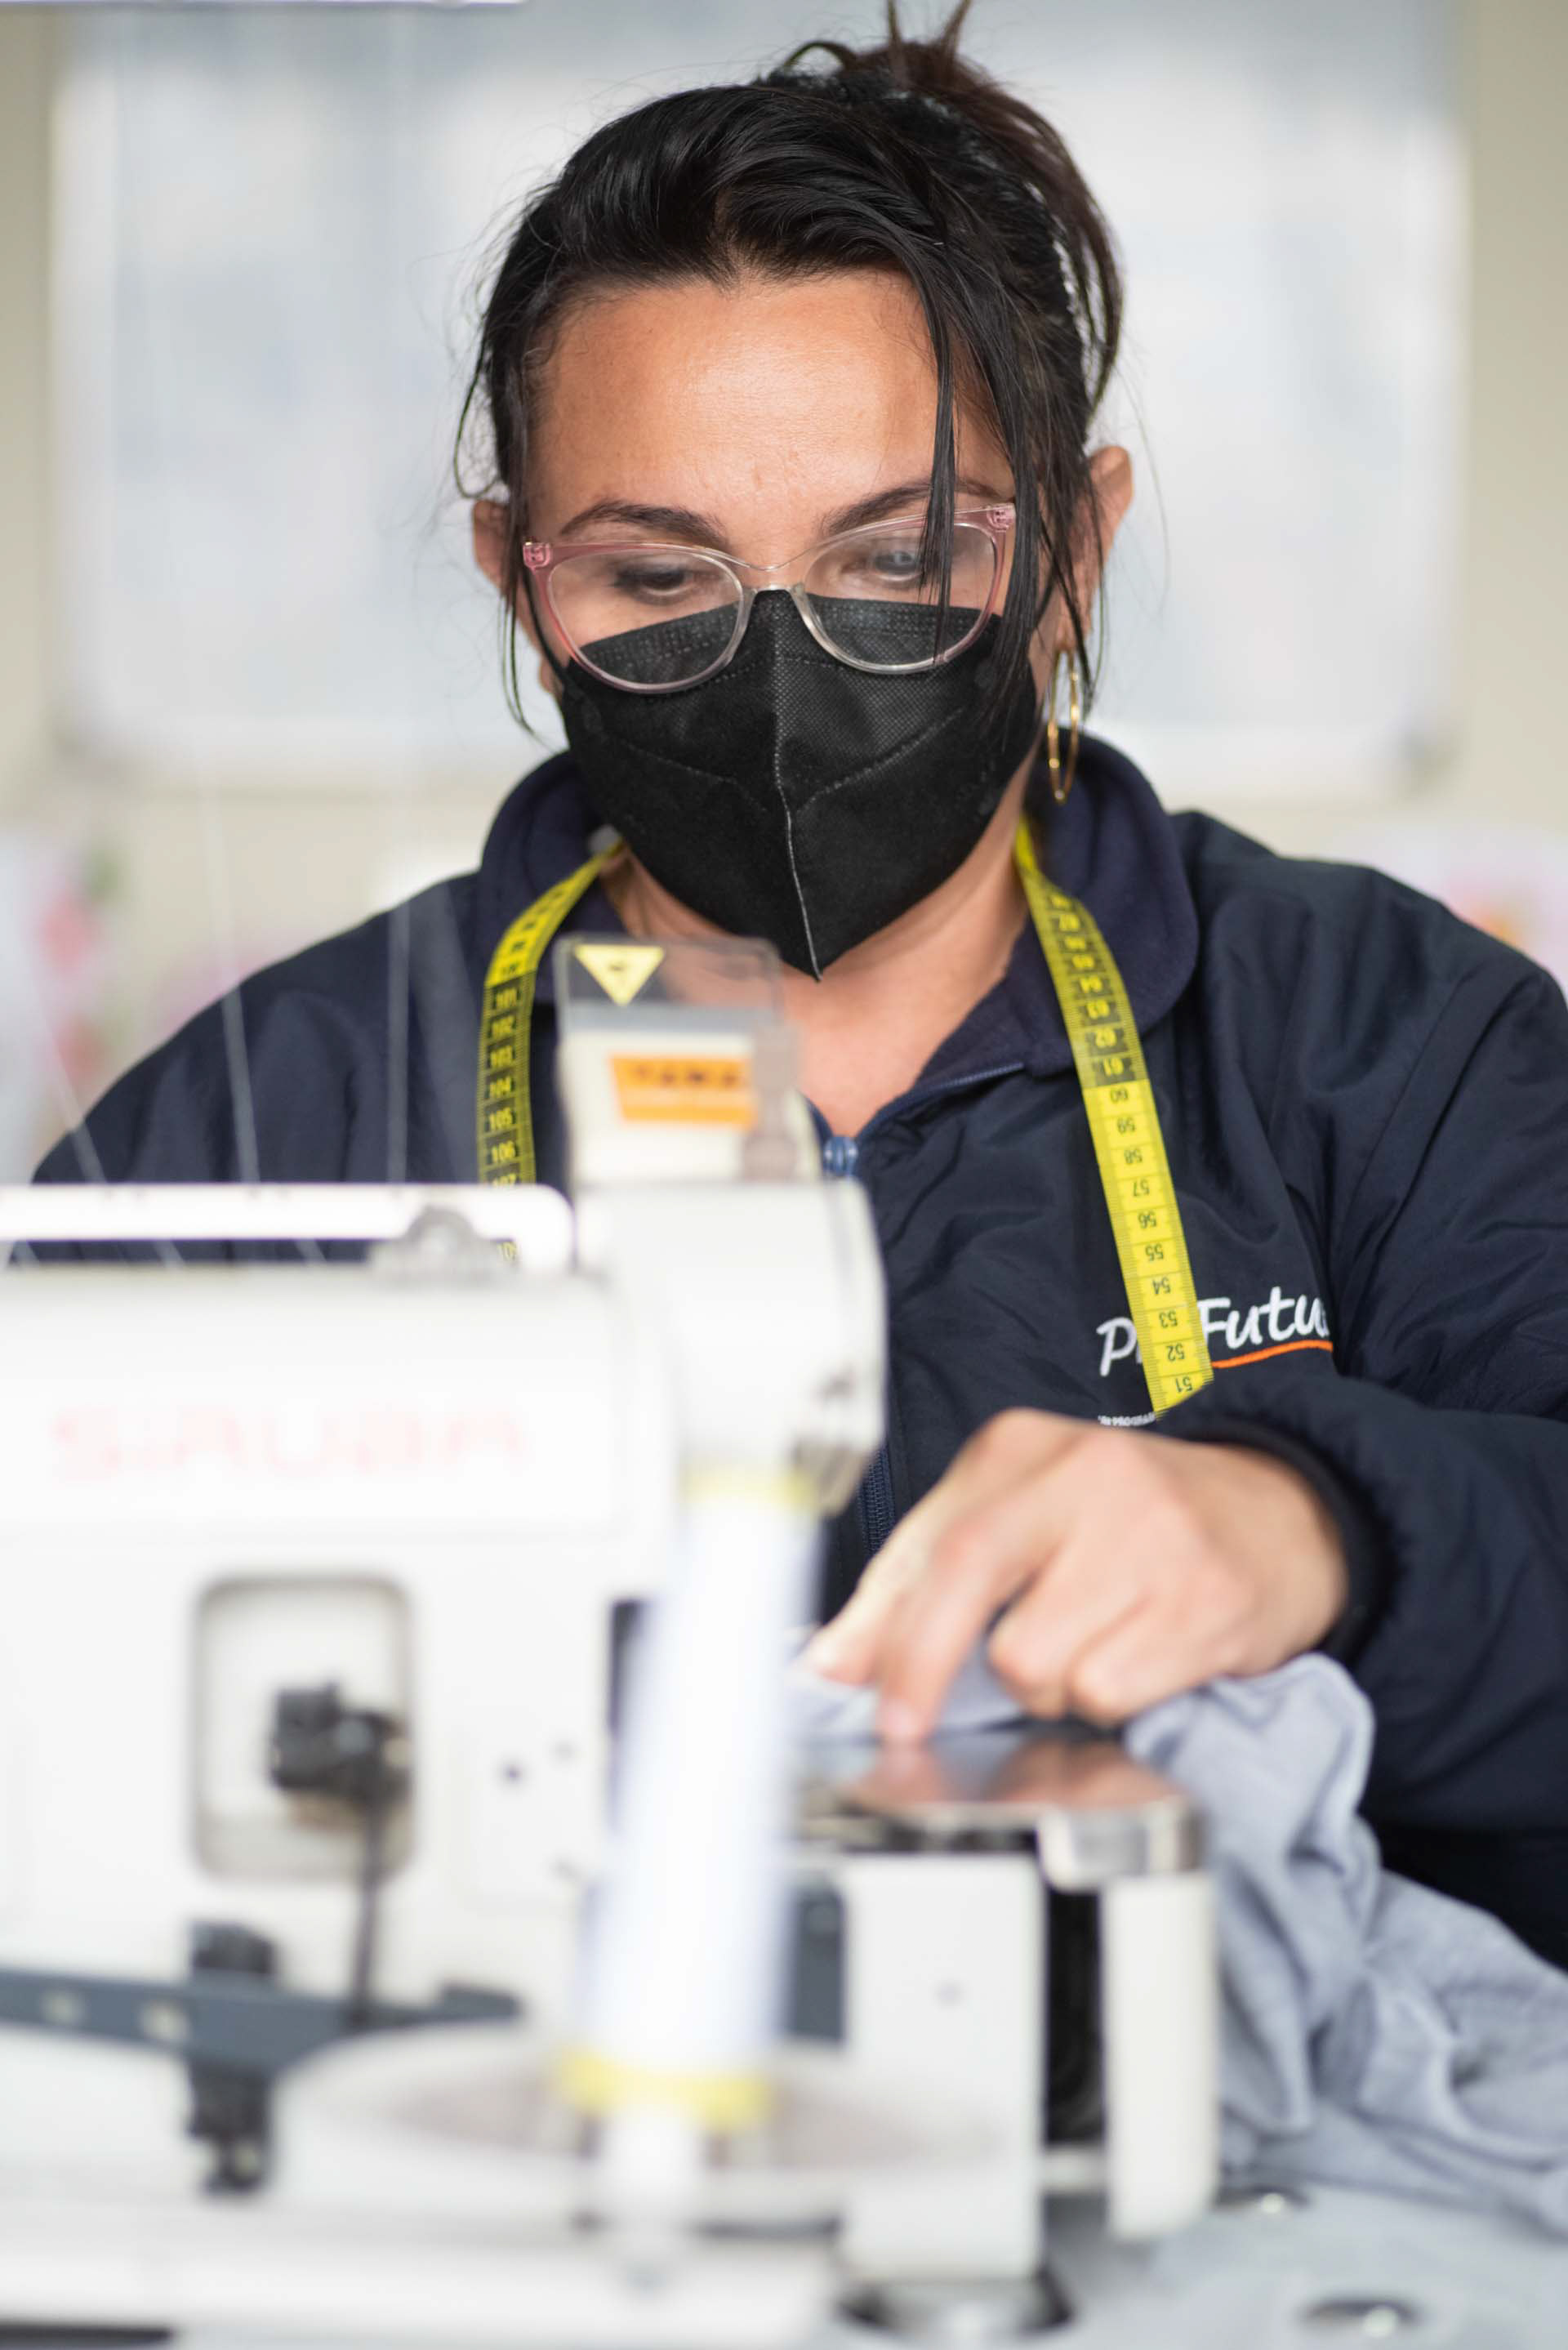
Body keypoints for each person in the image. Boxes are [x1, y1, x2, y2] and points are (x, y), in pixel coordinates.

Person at [37, 10, 1568, 1965]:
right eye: (655, 579)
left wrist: (1326, 1526)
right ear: (518, 580)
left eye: (901, 555)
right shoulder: (275, 1118)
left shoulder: (1389, 1041)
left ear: (1075, 552)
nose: (783, 678)